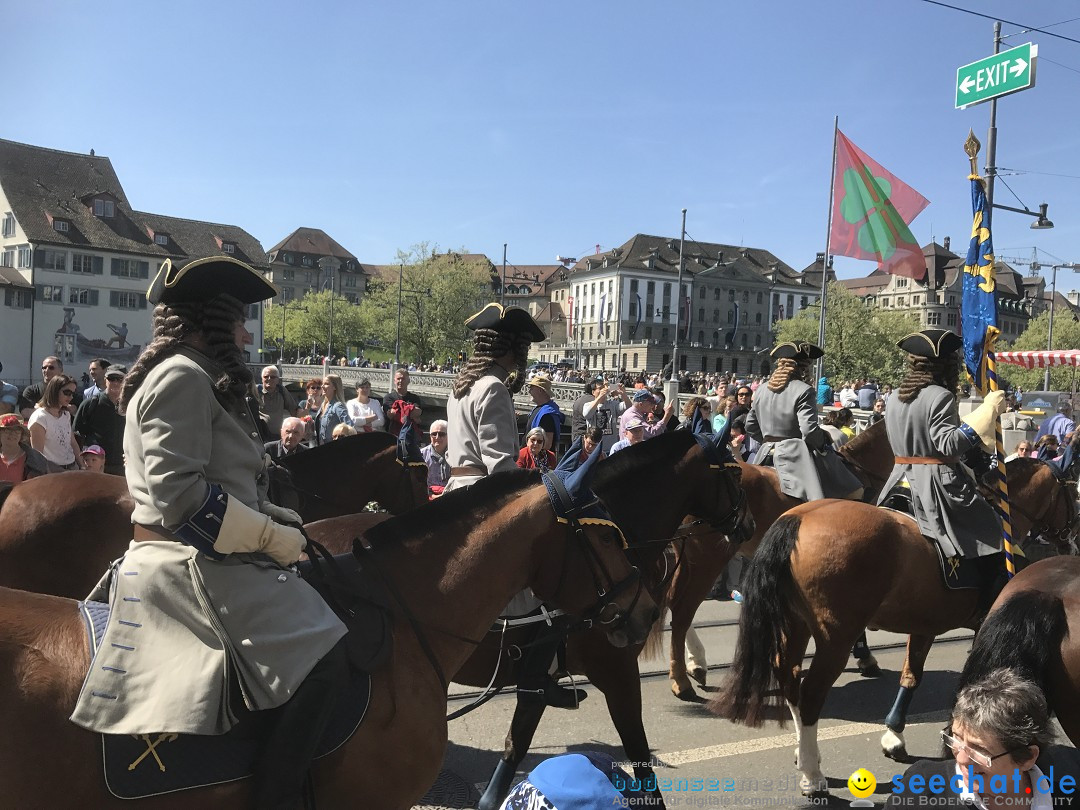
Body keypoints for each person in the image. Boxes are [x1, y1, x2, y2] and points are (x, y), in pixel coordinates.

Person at [67, 255, 347, 809]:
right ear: (210, 322)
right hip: (186, 564)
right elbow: (182, 501)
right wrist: (272, 538)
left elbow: (227, 481)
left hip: (210, 552)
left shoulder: (189, 373)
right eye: (239, 320)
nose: (247, 333)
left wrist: (281, 521)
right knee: (326, 652)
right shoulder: (182, 376)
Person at [444, 302, 584, 709]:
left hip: (456, 491)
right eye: (522, 348)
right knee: (555, 565)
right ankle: (541, 671)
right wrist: (547, 488)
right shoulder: (493, 388)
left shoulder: (462, 386)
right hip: (484, 495)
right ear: (512, 349)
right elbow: (503, 467)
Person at [875, 329, 1005, 564]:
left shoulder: (894, 397)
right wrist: (985, 415)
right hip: (935, 484)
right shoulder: (941, 396)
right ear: (946, 365)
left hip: (897, 480)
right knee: (994, 533)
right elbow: (949, 446)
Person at [887, 668, 1080, 809]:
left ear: (1027, 757)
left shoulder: (1072, 775)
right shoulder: (920, 790)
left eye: (979, 750)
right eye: (956, 739)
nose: (961, 759)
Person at [745, 342, 863, 502]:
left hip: (764, 452)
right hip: (794, 455)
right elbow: (809, 432)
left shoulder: (761, 389)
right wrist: (824, 442)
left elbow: (750, 426)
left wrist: (768, 440)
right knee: (853, 490)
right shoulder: (804, 390)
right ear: (803, 367)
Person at [73, 364, 127, 476]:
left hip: (124, 466)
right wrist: (82, 463)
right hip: (96, 467)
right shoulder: (91, 404)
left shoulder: (131, 405)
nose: (115, 383)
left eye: (120, 379)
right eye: (112, 379)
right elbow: (76, 435)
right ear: (105, 380)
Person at [27, 375, 85, 471]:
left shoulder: (66, 414)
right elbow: (38, 454)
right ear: (54, 391)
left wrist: (82, 465)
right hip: (52, 470)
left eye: (72, 394)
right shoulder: (40, 417)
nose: (70, 397)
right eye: (67, 392)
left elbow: (73, 443)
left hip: (72, 467)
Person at [0, 413, 49, 482]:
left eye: (17, 431)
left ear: (21, 435)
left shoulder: (37, 461)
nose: (12, 434)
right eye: (7, 430)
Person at [524, 373, 564, 451]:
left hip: (537, 460)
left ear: (540, 390)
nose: (529, 391)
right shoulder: (538, 409)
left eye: (531, 388)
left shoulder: (547, 414)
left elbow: (547, 444)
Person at [257, 365, 299, 436]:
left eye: (273, 377)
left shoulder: (282, 391)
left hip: (278, 436)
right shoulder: (256, 391)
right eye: (266, 377)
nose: (269, 379)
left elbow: (294, 410)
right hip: (260, 435)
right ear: (262, 379)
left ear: (278, 380)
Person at [314, 374, 352, 446]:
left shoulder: (338, 406)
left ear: (335, 387)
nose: (322, 386)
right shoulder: (323, 405)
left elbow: (350, 427)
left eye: (326, 384)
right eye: (322, 384)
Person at [383, 368, 421, 436]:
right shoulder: (388, 398)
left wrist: (399, 411)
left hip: (410, 435)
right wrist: (409, 410)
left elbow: (418, 413)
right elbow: (391, 415)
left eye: (403, 379)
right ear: (394, 381)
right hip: (393, 435)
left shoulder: (415, 398)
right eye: (398, 379)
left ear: (408, 381)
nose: (400, 381)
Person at [421, 419, 450, 495]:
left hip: (450, 496)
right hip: (427, 496)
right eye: (434, 434)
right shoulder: (421, 455)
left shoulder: (455, 455)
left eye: (441, 434)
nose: (437, 437)